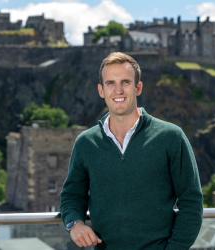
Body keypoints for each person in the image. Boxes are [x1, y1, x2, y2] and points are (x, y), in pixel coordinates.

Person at [60, 52, 203, 250]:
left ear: (138, 87)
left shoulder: (171, 137)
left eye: (125, 82)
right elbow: (72, 195)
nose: (118, 90)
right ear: (101, 90)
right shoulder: (85, 142)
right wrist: (74, 223)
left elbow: (191, 201)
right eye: (110, 83)